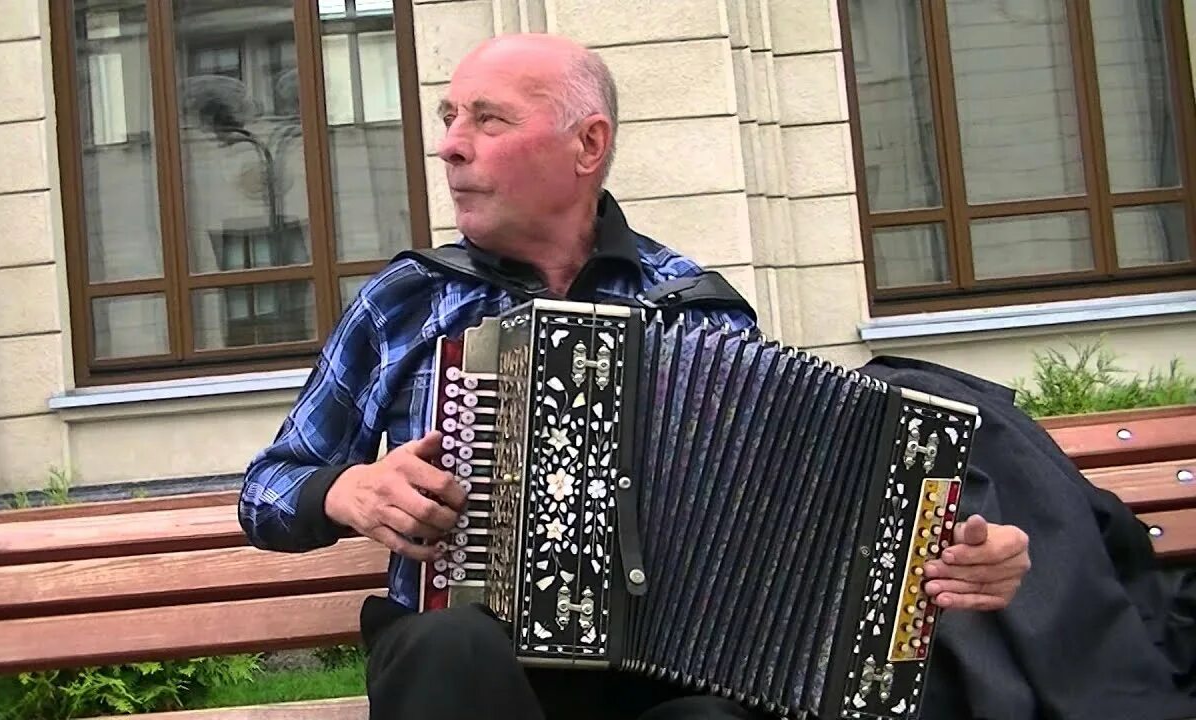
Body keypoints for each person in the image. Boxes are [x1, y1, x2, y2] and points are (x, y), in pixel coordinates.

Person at [237, 33, 1038, 719]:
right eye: (450, 118)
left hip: (658, 673)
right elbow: (269, 489)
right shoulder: (406, 300)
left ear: (587, 145)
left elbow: (814, 516)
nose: (450, 143)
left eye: (488, 119)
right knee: (451, 643)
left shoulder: (692, 306)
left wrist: (955, 555)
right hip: (464, 667)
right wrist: (347, 491)